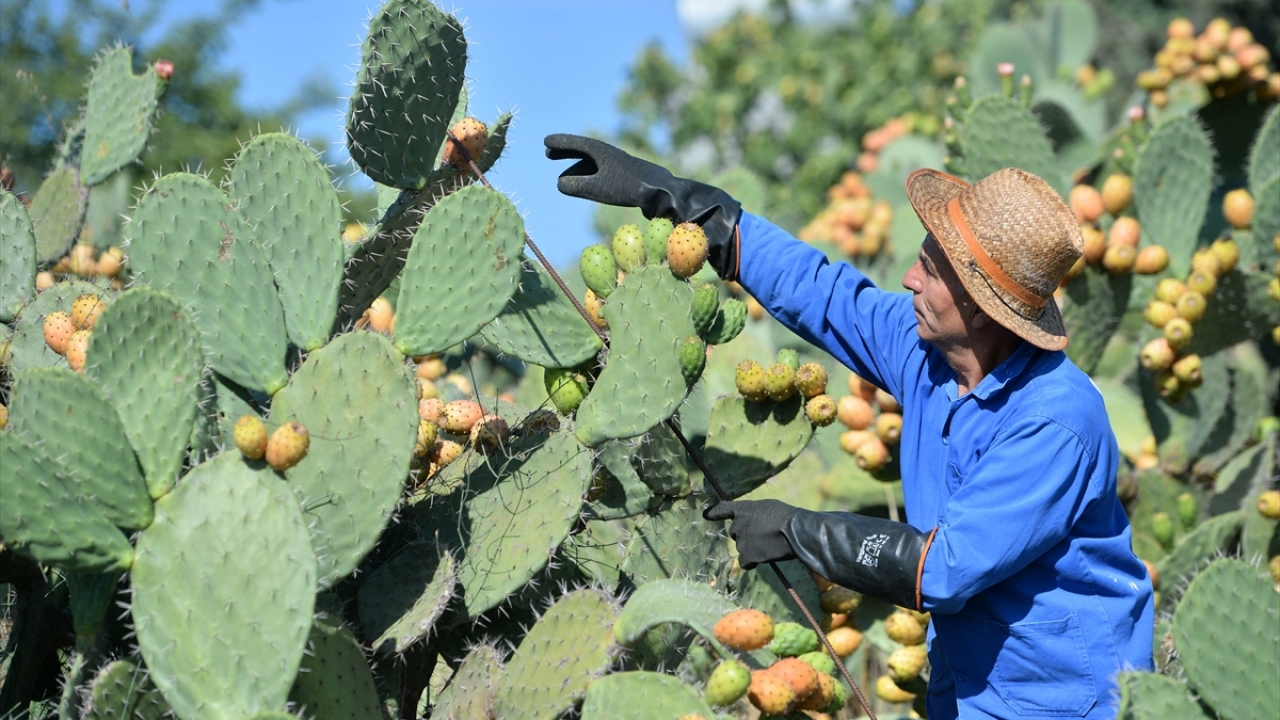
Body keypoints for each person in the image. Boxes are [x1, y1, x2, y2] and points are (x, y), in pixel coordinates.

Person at [545, 134, 1155, 719]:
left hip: (1066, 702)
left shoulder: (1054, 421)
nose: (910, 281)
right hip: (965, 691)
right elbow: (826, 294)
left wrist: (797, 531)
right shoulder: (929, 354)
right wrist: (680, 199)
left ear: (979, 304)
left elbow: (942, 569)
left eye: (931, 272)